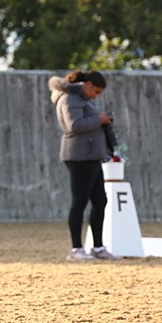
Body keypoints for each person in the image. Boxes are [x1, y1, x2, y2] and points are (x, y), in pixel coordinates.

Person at [48, 70, 117, 261]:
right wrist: (100, 119)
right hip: (79, 156)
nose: (97, 95)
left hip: (91, 156)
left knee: (100, 201)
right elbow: (74, 126)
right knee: (79, 202)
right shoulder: (70, 99)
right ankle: (76, 248)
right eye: (96, 91)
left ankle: (98, 246)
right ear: (87, 85)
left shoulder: (83, 99)